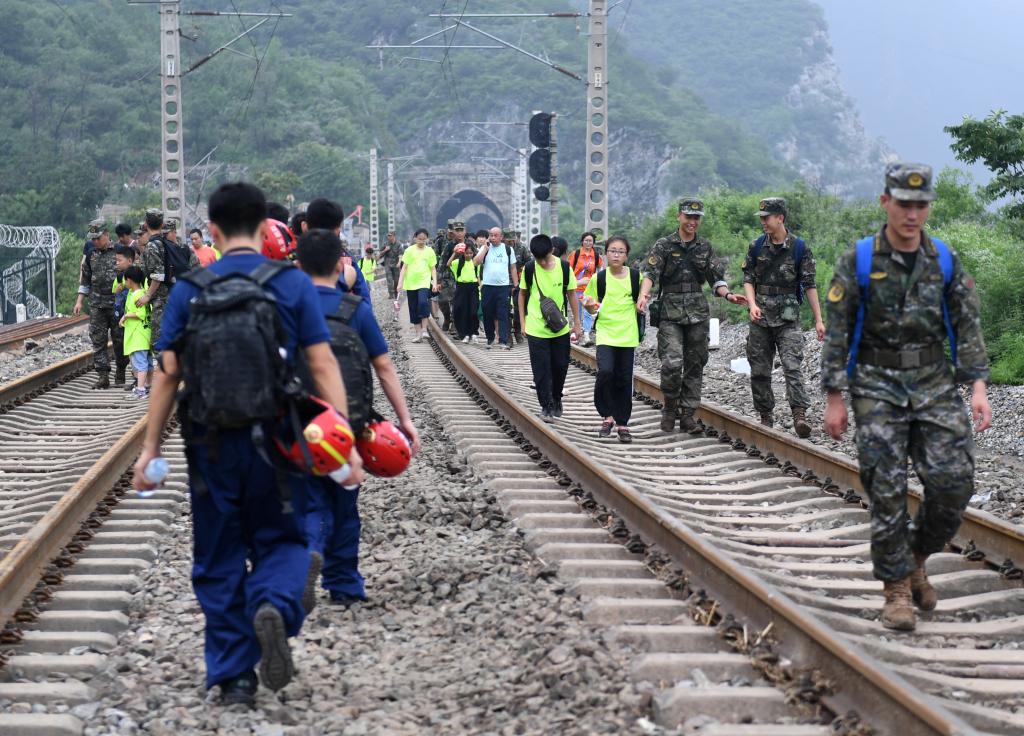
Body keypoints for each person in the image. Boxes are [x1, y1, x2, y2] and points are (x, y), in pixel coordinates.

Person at [133, 182, 360, 706]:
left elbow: (167, 373)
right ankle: (274, 603)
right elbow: (322, 363)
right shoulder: (291, 284)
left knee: (218, 555)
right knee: (283, 540)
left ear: (212, 231)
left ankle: (235, 677)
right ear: (265, 229)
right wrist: (343, 441)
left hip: (209, 442)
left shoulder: (190, 288)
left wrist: (150, 449)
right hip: (278, 438)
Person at [821, 163, 991, 632]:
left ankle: (916, 555)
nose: (912, 214)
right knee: (887, 488)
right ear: (885, 203)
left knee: (954, 484)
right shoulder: (859, 260)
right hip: (876, 383)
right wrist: (834, 395)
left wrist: (977, 386)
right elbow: (837, 333)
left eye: (921, 205)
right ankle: (896, 589)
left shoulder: (944, 259)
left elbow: (967, 323)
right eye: (904, 204)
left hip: (934, 382)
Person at [294, 229, 421, 606]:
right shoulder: (355, 310)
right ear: (340, 266)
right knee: (345, 504)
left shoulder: (287, 308)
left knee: (307, 497)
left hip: (300, 419)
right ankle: (344, 584)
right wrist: (405, 421)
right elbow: (384, 368)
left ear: (298, 266)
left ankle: (308, 550)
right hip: (348, 420)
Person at [637, 198, 747, 433]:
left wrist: (728, 295)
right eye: (688, 217)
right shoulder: (664, 245)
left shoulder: (705, 247)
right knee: (672, 362)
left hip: (697, 312)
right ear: (679, 216)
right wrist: (643, 296)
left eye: (696, 218)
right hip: (670, 312)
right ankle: (669, 408)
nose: (692, 222)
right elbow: (650, 274)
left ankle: (688, 415)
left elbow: (716, 279)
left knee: (695, 363)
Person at [742, 198, 825, 437]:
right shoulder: (756, 246)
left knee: (792, 366)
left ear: (780, 218)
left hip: (788, 319)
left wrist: (819, 320)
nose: (763, 222)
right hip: (760, 318)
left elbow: (809, 285)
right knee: (760, 369)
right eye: (761, 218)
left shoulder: (799, 248)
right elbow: (748, 279)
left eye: (766, 217)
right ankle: (765, 416)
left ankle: (799, 415)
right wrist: (752, 304)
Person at [582, 236, 642, 443]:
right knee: (606, 372)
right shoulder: (599, 278)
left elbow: (643, 297)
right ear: (606, 254)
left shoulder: (636, 277)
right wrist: (589, 305)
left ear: (626, 255)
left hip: (628, 334)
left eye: (620, 251)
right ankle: (607, 416)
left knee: (624, 378)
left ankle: (622, 422)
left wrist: (643, 301)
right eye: (612, 251)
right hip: (606, 333)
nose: (616, 255)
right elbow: (591, 306)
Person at [517, 234, 582, 423]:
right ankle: (546, 405)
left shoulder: (564, 267)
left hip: (559, 328)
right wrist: (523, 322)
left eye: (545, 258)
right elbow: (522, 295)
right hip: (536, 328)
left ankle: (556, 397)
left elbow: (572, 294)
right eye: (539, 259)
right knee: (541, 370)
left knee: (560, 367)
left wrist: (577, 323)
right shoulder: (530, 268)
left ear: (552, 251)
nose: (543, 263)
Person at [74, 222, 129, 388]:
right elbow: (85, 280)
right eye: (93, 239)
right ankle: (103, 376)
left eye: (98, 238)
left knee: (120, 340)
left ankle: (121, 370)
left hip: (117, 305)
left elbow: (133, 275)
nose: (95, 241)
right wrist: (79, 301)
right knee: (98, 340)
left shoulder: (120, 251)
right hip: (97, 305)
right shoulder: (91, 254)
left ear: (106, 234)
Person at [138, 208, 199, 351]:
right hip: (177, 296)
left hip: (161, 300)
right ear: (162, 225)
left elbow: (158, 275)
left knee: (160, 343)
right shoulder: (173, 245)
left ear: (146, 224)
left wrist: (147, 295)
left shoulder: (153, 245)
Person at [305, 198, 371, 300]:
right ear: (337, 230)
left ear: (305, 226)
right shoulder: (346, 259)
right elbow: (364, 298)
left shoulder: (293, 257)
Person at [475, 226, 518, 349]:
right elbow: (476, 262)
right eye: (491, 235)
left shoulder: (508, 249)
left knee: (503, 313)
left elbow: (513, 268)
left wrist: (516, 285)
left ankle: (503, 340)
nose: (492, 238)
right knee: (487, 313)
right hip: (487, 286)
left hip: (503, 287)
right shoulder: (485, 248)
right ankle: (490, 338)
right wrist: (484, 248)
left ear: (501, 237)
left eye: (495, 235)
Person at [397, 228, 438, 343]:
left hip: (424, 282)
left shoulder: (430, 251)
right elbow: (404, 268)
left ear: (427, 239)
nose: (421, 241)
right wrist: (400, 283)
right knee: (413, 308)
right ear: (415, 238)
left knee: (423, 302)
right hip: (410, 283)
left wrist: (434, 283)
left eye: (424, 239)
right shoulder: (409, 250)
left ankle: (424, 329)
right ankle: (418, 334)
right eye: (419, 239)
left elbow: (433, 269)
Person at [118, 265, 152, 399]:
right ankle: (148, 386)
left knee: (141, 363)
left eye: (125, 280)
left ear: (130, 280)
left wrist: (126, 316)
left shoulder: (137, 295)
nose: (124, 283)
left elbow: (140, 314)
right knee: (148, 362)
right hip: (144, 334)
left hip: (138, 336)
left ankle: (141, 389)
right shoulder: (143, 293)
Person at [570, 232, 604, 346]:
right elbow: (569, 270)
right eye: (586, 240)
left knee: (588, 312)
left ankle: (586, 335)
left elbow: (600, 269)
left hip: (589, 289)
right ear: (582, 241)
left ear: (593, 243)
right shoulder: (575, 254)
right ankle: (575, 333)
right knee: (577, 312)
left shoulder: (596, 256)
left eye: (590, 241)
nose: (588, 243)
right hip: (576, 288)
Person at [448, 232, 479, 343]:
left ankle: (473, 332)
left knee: (473, 311)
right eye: (466, 253)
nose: (469, 255)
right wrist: (454, 253)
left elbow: (478, 277)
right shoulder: (458, 263)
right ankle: (464, 333)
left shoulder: (475, 263)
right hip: (461, 288)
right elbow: (448, 264)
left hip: (473, 288)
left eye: (471, 253)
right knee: (462, 311)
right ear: (463, 253)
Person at [380, 231, 403, 300]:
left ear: (394, 236)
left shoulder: (399, 244)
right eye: (388, 236)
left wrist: (399, 262)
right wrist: (385, 250)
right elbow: (380, 254)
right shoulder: (386, 244)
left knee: (396, 280)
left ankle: (396, 293)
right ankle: (391, 294)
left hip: (396, 264)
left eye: (390, 236)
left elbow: (401, 255)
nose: (389, 237)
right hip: (387, 264)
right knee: (389, 279)